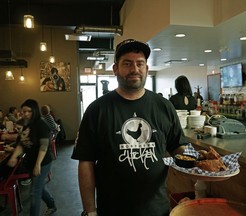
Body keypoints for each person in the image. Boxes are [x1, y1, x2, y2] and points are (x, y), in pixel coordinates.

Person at [71, 39, 188, 216]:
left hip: (157, 209)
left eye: (140, 63)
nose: (134, 69)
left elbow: (177, 146)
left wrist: (196, 163)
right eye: (127, 63)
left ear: (147, 69)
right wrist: (90, 211)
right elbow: (86, 162)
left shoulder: (164, 106)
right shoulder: (97, 110)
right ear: (115, 68)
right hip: (112, 209)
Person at [7, 99, 57, 216]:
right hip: (30, 161)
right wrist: (14, 156)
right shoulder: (24, 124)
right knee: (38, 186)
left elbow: (44, 146)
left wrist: (38, 164)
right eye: (23, 111)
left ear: (34, 111)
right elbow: (21, 143)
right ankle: (51, 205)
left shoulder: (41, 124)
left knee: (34, 192)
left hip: (43, 161)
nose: (26, 114)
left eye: (29, 111)